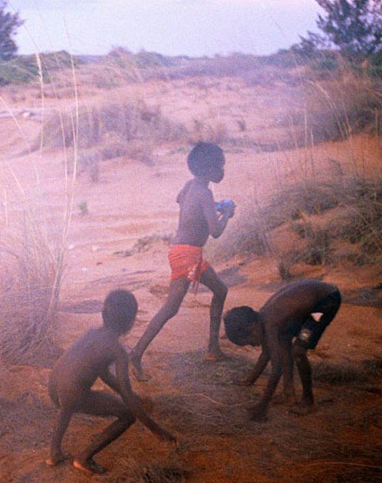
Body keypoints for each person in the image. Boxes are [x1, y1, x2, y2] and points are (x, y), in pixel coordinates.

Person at [130, 142, 235, 381]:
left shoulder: (190, 186)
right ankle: (135, 355)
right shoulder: (205, 192)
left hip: (186, 252)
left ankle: (213, 349)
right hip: (187, 255)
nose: (222, 169)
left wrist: (215, 207)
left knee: (220, 290)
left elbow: (182, 202)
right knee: (171, 308)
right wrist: (226, 213)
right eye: (220, 165)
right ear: (209, 169)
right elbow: (216, 231)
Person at [47, 289, 176, 474]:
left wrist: (134, 397)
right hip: (72, 395)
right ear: (130, 323)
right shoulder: (117, 350)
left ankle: (54, 453)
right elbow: (126, 394)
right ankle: (84, 458)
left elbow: (104, 374)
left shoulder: (91, 334)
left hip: (54, 388)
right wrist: (157, 430)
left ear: (103, 314)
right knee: (127, 415)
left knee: (68, 399)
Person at [223, 279, 341, 421]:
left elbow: (276, 369)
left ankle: (308, 401)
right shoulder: (263, 318)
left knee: (298, 351)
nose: (254, 345)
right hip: (314, 298)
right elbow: (266, 353)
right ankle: (288, 393)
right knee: (284, 341)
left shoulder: (271, 325)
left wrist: (263, 404)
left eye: (249, 342)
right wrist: (249, 380)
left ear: (252, 329)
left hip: (325, 303)